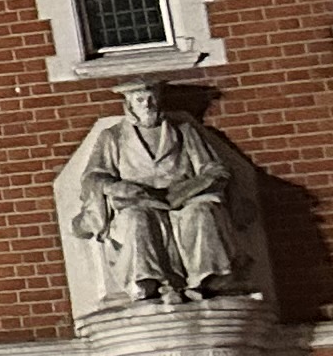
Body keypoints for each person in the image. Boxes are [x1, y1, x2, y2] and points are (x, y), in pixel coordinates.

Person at [68, 81, 249, 307]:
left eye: (151, 98)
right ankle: (147, 281)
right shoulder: (113, 136)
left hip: (185, 199)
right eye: (140, 100)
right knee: (137, 219)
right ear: (129, 104)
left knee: (201, 213)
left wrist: (194, 186)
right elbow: (94, 176)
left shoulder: (183, 131)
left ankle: (208, 279)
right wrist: (116, 187)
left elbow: (214, 168)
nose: (147, 105)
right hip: (139, 201)